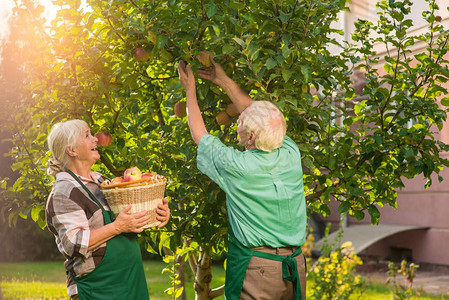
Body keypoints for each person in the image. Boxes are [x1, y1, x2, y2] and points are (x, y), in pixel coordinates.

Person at [178, 57, 307, 300]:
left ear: (251, 137)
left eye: (241, 122)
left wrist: (189, 89)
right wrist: (221, 79)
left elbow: (199, 134)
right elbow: (255, 110)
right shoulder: (290, 152)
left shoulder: (237, 166)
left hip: (258, 269)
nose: (238, 118)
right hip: (294, 266)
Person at [45, 119, 170, 299]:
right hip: (100, 288)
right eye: (87, 135)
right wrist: (117, 227)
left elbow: (129, 219)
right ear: (71, 150)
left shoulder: (101, 181)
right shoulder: (64, 192)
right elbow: (73, 243)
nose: (95, 139)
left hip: (130, 280)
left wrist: (157, 215)